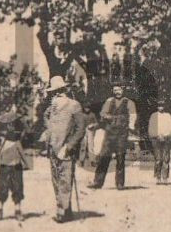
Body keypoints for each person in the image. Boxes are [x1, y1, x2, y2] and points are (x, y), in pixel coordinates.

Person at [39, 76, 87, 223]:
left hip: (66, 149)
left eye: (57, 92)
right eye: (53, 92)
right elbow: (45, 117)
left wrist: (69, 145)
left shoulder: (74, 105)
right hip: (52, 148)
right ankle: (67, 209)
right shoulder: (52, 107)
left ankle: (62, 210)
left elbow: (80, 128)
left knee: (65, 179)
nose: (55, 95)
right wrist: (48, 132)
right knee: (56, 179)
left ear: (63, 91)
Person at [91, 82, 139, 190]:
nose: (117, 92)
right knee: (104, 157)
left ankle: (120, 183)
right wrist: (107, 117)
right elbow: (102, 113)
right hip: (109, 133)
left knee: (120, 158)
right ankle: (97, 182)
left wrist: (130, 126)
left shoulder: (129, 102)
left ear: (123, 90)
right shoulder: (109, 101)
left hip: (122, 134)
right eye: (115, 90)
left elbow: (133, 116)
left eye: (119, 90)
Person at [0, 108, 27, 221]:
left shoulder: (20, 124)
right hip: (5, 156)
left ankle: (18, 210)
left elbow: (23, 136)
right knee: (3, 185)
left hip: (16, 156)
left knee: (17, 185)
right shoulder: (1, 124)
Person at [147, 99, 171, 184]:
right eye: (159, 106)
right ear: (157, 107)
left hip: (166, 139)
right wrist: (157, 135)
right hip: (156, 139)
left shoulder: (168, 116)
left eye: (162, 106)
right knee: (158, 159)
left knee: (165, 159)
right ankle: (158, 177)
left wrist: (166, 135)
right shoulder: (153, 116)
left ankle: (165, 178)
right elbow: (151, 129)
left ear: (164, 107)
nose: (161, 107)